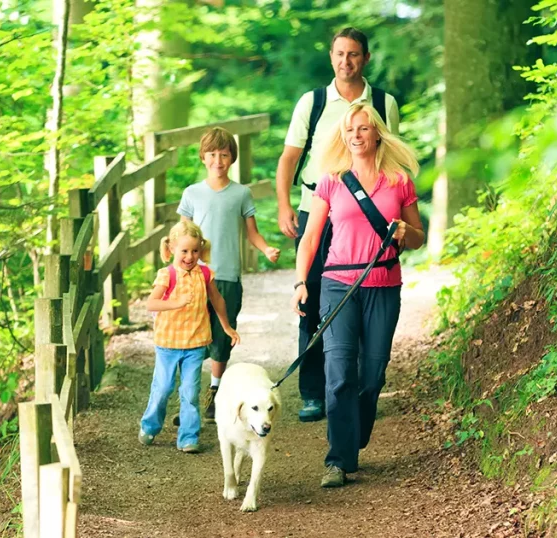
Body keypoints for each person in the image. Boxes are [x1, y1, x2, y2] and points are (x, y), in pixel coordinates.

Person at [290, 102, 424, 487]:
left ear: (376, 133)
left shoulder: (399, 180)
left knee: (372, 375)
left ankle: (353, 436)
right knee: (338, 374)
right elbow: (311, 237)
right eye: (350, 130)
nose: (356, 136)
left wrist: (403, 232)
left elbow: (417, 238)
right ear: (343, 136)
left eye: (363, 129)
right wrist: (301, 282)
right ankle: (338, 459)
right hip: (338, 286)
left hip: (383, 286)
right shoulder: (331, 179)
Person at [276, 27, 401, 423]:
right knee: (312, 298)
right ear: (331, 57)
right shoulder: (312, 103)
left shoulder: (383, 103)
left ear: (365, 58)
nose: (345, 61)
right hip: (318, 205)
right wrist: (284, 206)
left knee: (367, 298)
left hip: (368, 214)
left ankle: (361, 389)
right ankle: (313, 392)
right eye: (339, 54)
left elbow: (393, 158)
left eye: (353, 54)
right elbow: (288, 159)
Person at [178, 127, 280, 424]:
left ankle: (214, 391)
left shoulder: (241, 193)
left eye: (224, 155)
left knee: (222, 337)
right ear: (203, 157)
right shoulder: (192, 194)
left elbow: (252, 233)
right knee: (192, 337)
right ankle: (188, 401)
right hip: (196, 275)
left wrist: (266, 250)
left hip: (228, 277)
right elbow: (182, 235)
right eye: (212, 155)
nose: (218, 161)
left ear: (232, 158)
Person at [139, 221, 240, 453]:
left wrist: (226, 327)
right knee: (163, 388)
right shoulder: (167, 275)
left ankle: (188, 436)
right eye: (184, 251)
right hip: (168, 344)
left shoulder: (204, 273)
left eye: (195, 250)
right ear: (173, 247)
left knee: (190, 392)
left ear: (201, 249)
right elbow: (151, 303)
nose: (190, 256)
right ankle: (150, 425)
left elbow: (217, 301)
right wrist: (174, 302)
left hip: (195, 344)